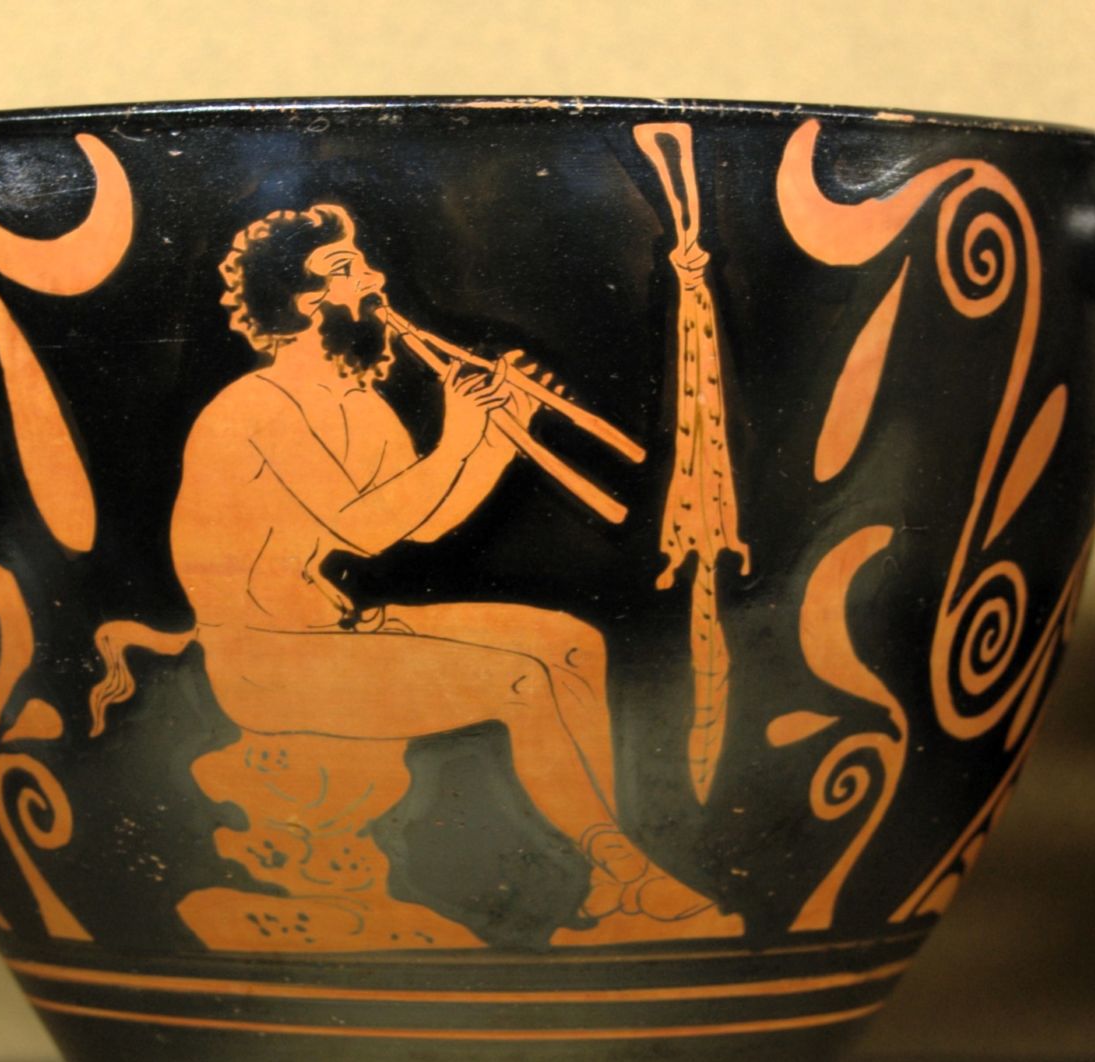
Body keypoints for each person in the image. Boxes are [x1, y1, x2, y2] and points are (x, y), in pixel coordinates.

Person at [137, 203, 738, 942]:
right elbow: (364, 526)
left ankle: (611, 876)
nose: (374, 279)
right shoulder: (255, 408)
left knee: (571, 644)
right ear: (301, 301)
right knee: (523, 680)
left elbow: (420, 523)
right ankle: (623, 869)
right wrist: (458, 438)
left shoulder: (360, 404)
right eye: (346, 269)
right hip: (264, 659)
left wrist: (495, 434)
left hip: (334, 631)